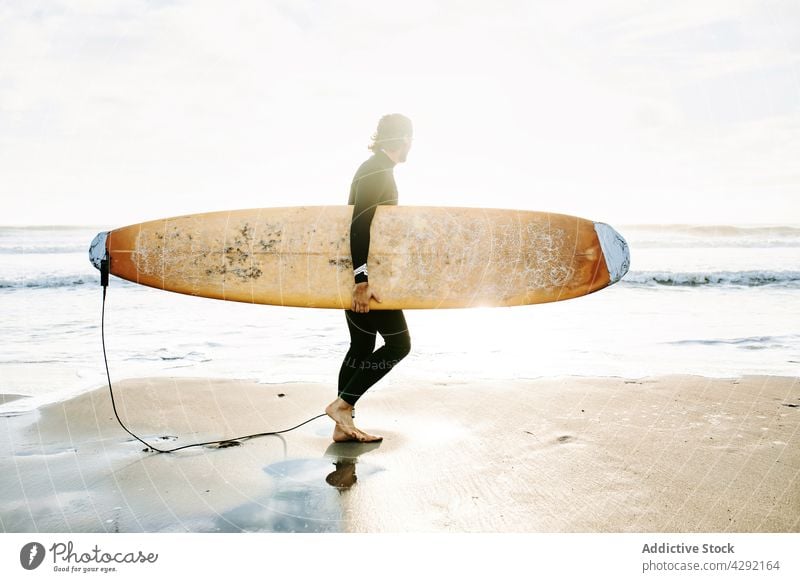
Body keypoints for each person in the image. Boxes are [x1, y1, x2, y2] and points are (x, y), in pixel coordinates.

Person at [324, 114, 413, 442]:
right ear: (403, 138)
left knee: (361, 346)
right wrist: (362, 280)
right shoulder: (378, 171)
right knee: (399, 344)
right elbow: (359, 225)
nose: (411, 147)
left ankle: (342, 426)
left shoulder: (374, 168)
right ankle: (343, 405)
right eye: (411, 139)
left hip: (355, 272)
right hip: (366, 279)